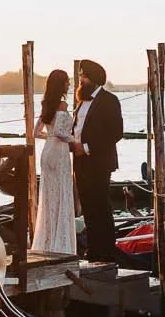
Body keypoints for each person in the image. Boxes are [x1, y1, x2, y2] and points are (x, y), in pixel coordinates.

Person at [70, 59, 124, 261]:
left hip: (99, 162)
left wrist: (86, 148)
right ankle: (93, 250)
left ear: (92, 79)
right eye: (80, 75)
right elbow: (77, 130)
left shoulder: (109, 100)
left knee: (100, 205)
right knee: (87, 206)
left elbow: (116, 133)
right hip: (80, 163)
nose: (80, 79)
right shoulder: (81, 102)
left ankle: (107, 251)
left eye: (83, 75)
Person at [32, 69, 80, 255]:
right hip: (59, 152)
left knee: (49, 195)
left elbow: (35, 132)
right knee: (61, 193)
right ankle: (60, 243)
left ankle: (47, 240)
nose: (69, 84)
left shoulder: (47, 105)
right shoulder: (62, 105)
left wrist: (49, 136)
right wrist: (74, 141)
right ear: (61, 85)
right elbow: (60, 132)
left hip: (47, 151)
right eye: (67, 82)